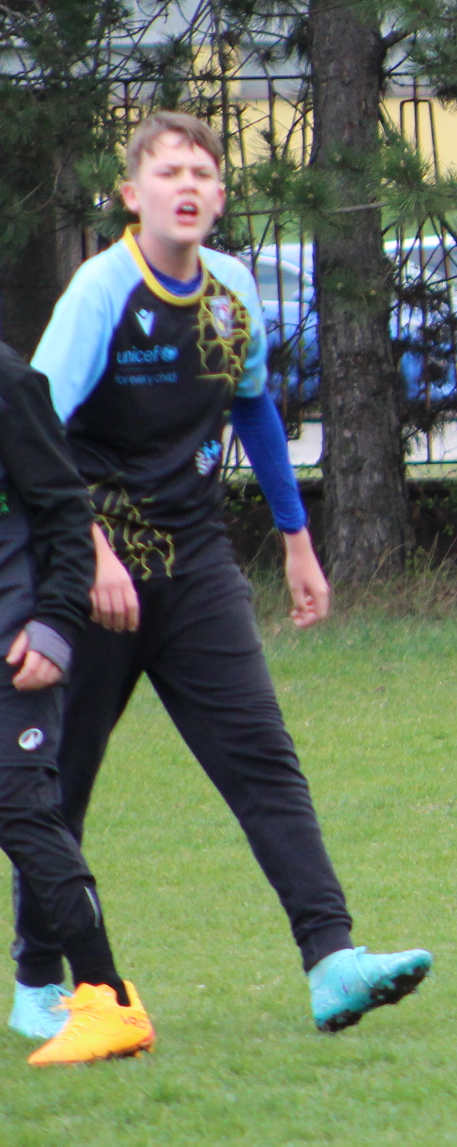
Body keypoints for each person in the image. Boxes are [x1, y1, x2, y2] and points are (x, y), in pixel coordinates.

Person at [18, 110, 431, 1033]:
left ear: (220, 195)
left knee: (262, 760)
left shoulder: (233, 288)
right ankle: (40, 982)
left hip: (196, 561)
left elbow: (255, 410)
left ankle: (332, 959)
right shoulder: (101, 290)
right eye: (169, 172)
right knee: (61, 782)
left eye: (203, 172)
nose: (189, 186)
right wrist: (91, 554)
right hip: (88, 572)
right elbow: (32, 429)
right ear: (132, 194)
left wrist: (296, 540)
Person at [0, 340, 154, 1064]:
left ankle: (106, 1000)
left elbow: (66, 513)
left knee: (22, 810)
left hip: (16, 650)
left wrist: (57, 625)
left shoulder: (9, 383)